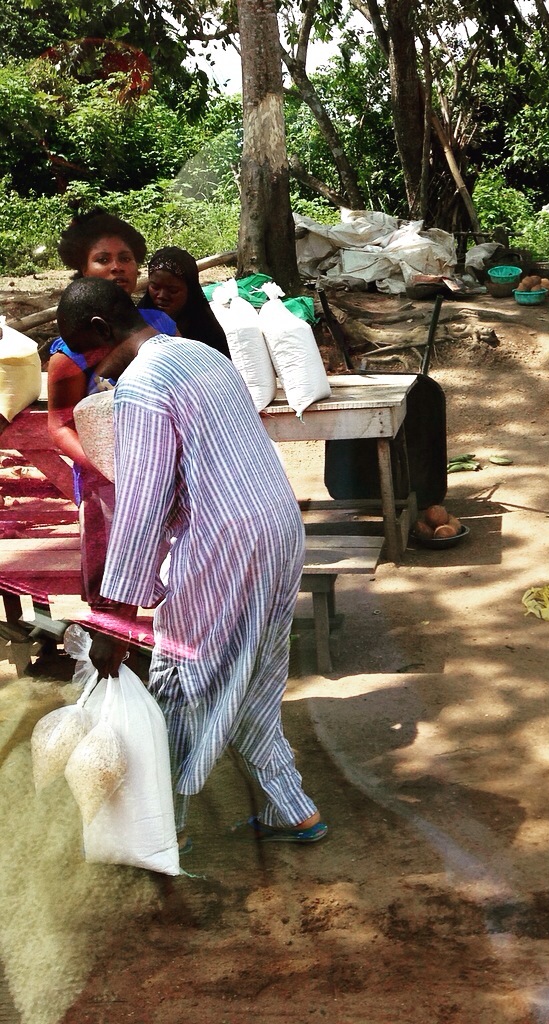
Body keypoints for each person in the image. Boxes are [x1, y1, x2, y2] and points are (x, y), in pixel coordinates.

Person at [56, 277, 326, 848]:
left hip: (223, 541)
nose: (90, 369)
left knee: (183, 681)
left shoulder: (141, 387)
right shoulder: (201, 354)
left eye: (86, 352)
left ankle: (158, 834)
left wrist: (117, 621)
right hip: (276, 528)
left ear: (102, 331)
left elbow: (142, 502)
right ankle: (292, 809)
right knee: (251, 682)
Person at [48, 210, 176, 605]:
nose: (117, 267)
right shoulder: (73, 350)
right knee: (114, 586)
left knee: (176, 574)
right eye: (103, 259)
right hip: (107, 483)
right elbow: (59, 425)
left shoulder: (162, 326)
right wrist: (107, 467)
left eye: (126, 258)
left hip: (166, 472)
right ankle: (113, 651)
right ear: (82, 270)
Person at [138, 246, 231, 358]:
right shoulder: (137, 323)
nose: (162, 296)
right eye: (155, 287)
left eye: (173, 290)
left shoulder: (207, 333)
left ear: (190, 290)